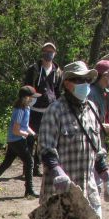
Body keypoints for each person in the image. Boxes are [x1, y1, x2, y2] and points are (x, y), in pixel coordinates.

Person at [37, 60, 109, 219]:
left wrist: (106, 176)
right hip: (60, 185)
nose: (84, 84)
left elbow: (98, 148)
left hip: (87, 183)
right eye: (78, 80)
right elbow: (46, 149)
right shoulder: (55, 111)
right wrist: (57, 172)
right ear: (67, 84)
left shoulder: (92, 108)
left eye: (86, 80)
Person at [0, 85, 39, 198]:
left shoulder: (26, 108)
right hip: (16, 140)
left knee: (6, 163)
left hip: (15, 140)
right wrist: (25, 134)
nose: (33, 99)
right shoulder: (20, 110)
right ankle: (29, 190)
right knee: (29, 162)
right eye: (31, 97)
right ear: (25, 97)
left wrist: (34, 134)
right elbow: (16, 130)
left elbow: (25, 126)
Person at [23, 42, 63, 177]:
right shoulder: (33, 69)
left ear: (55, 54)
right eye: (46, 51)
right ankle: (27, 168)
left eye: (51, 51)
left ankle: (37, 166)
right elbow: (26, 88)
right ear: (42, 52)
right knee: (29, 140)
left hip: (49, 111)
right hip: (33, 109)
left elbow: (58, 91)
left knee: (43, 140)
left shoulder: (58, 71)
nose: (48, 54)